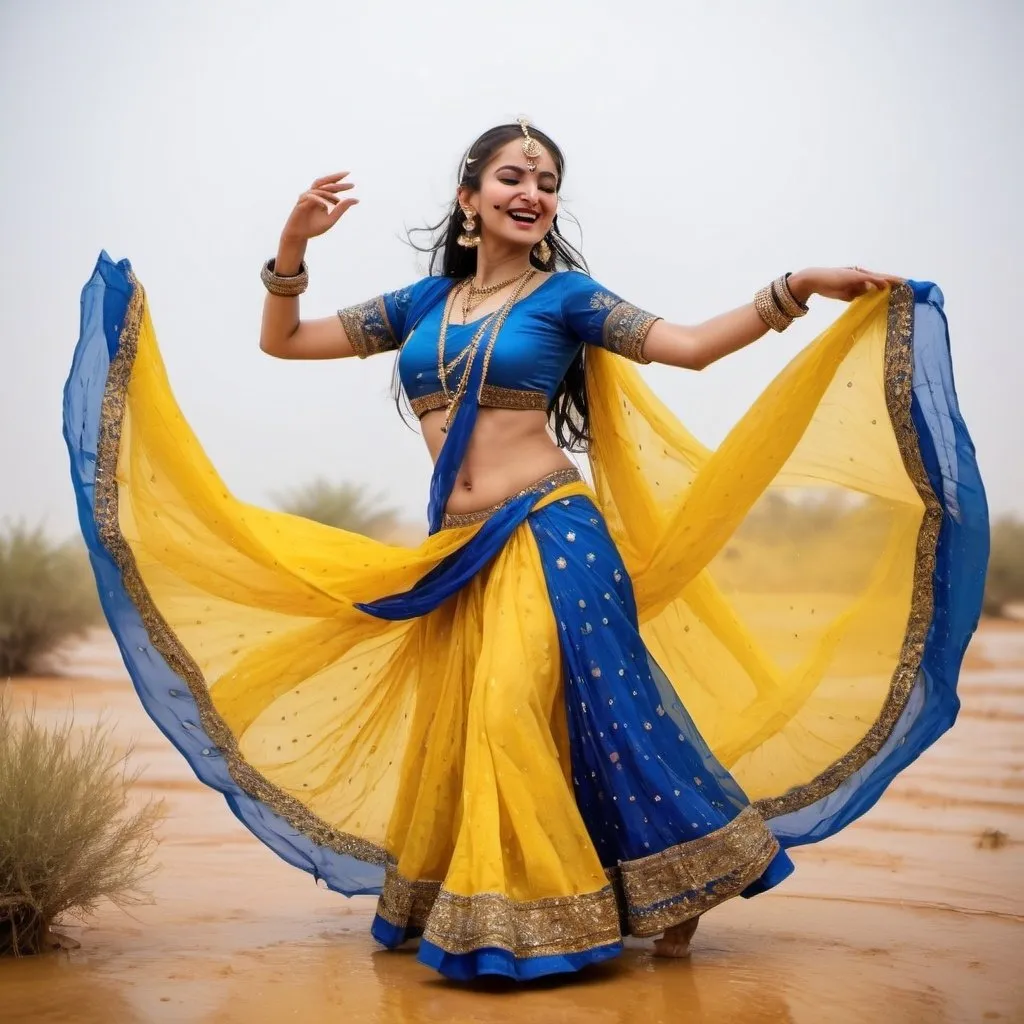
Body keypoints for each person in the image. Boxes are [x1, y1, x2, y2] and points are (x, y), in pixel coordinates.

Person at [65, 120, 988, 983]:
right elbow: (286, 343)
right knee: (485, 728)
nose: (533, 192)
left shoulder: (567, 298)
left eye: (547, 183)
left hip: (552, 534)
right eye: (513, 176)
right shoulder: (424, 303)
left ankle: (568, 911)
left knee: (529, 710)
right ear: (468, 196)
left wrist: (798, 286)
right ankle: (552, 895)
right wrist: (293, 248)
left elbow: (692, 347)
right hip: (459, 551)